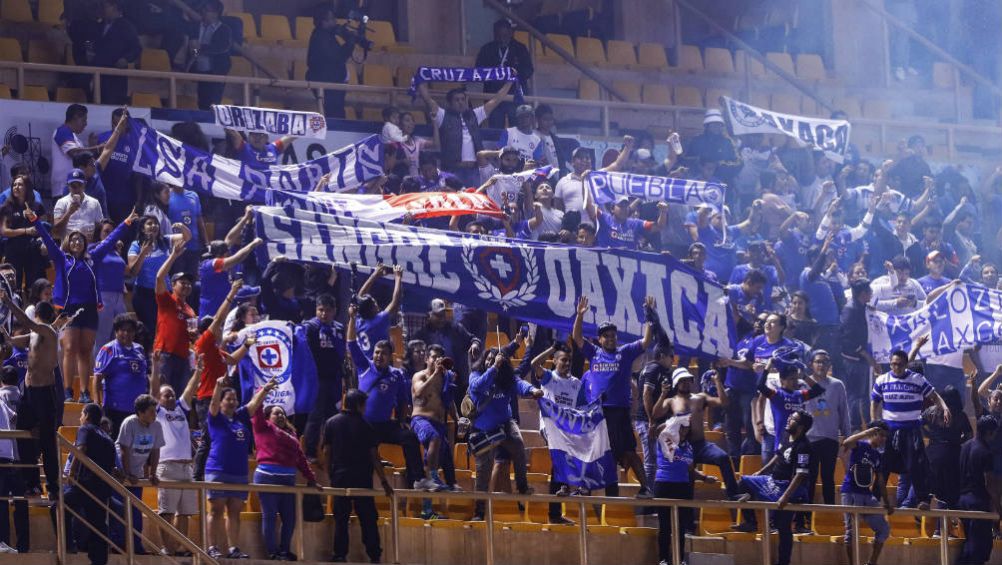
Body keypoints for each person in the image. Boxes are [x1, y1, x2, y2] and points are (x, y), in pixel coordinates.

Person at [31, 205, 135, 403]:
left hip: (88, 308)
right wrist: (35, 220)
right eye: (73, 239)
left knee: (86, 351)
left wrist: (127, 222)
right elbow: (46, 237)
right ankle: (68, 391)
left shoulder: (93, 258)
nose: (77, 241)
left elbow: (110, 239)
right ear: (69, 244)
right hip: (68, 309)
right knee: (69, 348)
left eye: (80, 239)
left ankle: (86, 392)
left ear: (85, 243)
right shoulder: (62, 259)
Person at [572, 295, 656, 499]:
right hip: (599, 412)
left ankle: (646, 488)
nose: (610, 338)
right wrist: (580, 316)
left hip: (619, 411)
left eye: (613, 335)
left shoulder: (624, 352)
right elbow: (577, 338)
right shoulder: (593, 353)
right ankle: (586, 488)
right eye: (606, 336)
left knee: (628, 450)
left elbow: (646, 341)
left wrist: (649, 315)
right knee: (596, 450)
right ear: (600, 339)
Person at [347, 303, 436, 491]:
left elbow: (403, 400)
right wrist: (352, 318)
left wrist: (402, 420)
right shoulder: (365, 366)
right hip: (364, 425)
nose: (379, 356)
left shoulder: (397, 375)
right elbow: (351, 343)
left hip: (384, 425)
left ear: (390, 357)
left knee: (410, 437)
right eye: (377, 353)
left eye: (383, 354)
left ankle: (418, 479)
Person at [467, 347, 544, 520]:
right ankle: (479, 513)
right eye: (488, 359)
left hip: (504, 424)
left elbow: (519, 384)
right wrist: (493, 368)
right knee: (482, 474)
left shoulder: (507, 378)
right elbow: (477, 387)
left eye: (495, 359)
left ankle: (522, 487)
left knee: (518, 445)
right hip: (483, 430)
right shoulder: (475, 375)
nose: (490, 361)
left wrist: (532, 391)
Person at [205, 375, 275, 560]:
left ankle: (233, 548)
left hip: (239, 473)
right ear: (221, 402)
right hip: (217, 470)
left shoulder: (241, 417)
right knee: (216, 510)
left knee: (235, 512)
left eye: (234, 399)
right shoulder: (215, 418)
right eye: (228, 399)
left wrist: (265, 389)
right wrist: (218, 387)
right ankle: (212, 547)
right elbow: (212, 404)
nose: (232, 402)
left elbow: (253, 404)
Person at [871, 349, 951, 509]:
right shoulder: (882, 380)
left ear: (906, 364)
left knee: (916, 465)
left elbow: (934, 396)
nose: (896, 367)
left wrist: (944, 407)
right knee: (883, 465)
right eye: (893, 364)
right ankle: (874, 497)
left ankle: (922, 500)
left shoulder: (917, 379)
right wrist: (874, 423)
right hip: (888, 431)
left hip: (911, 430)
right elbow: (874, 402)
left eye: (899, 364)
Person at [322, 389, 394, 563]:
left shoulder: (331, 423)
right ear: (359, 405)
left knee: (341, 519)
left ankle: (340, 555)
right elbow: (374, 457)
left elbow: (326, 451)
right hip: (362, 479)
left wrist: (330, 474)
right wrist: (384, 482)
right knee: (368, 519)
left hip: (339, 477)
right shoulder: (366, 426)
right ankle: (374, 555)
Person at [735, 410, 815, 565]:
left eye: (793, 419)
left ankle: (783, 562)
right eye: (790, 416)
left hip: (789, 488)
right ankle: (750, 522)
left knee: (783, 527)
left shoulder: (804, 447)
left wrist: (785, 497)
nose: (789, 419)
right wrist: (761, 471)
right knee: (743, 482)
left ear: (801, 427)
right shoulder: (787, 437)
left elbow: (800, 475)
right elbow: (778, 456)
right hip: (772, 481)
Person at [4, 292, 61, 499]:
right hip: (28, 393)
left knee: (47, 442)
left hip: (44, 393)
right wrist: (7, 336)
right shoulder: (35, 334)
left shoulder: (47, 330)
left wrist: (8, 302)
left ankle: (53, 487)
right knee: (22, 433)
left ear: (38, 313)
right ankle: (33, 483)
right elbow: (16, 340)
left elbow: (26, 322)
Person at [651, 367, 738, 501]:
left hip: (700, 445)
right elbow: (655, 414)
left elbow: (724, 403)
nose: (685, 383)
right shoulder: (671, 401)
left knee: (723, 457)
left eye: (688, 380)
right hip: (682, 449)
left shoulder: (700, 397)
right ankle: (686, 518)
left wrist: (717, 382)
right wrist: (663, 394)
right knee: (687, 489)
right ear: (676, 383)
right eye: (682, 381)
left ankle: (733, 494)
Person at [251, 403, 319, 561]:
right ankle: (272, 552)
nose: (280, 416)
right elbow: (256, 410)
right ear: (268, 417)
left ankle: (284, 550)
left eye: (282, 413)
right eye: (276, 413)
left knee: (290, 518)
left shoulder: (292, 434)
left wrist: (311, 478)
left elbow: (301, 458)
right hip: (267, 477)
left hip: (288, 480)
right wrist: (264, 390)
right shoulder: (263, 427)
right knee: (270, 516)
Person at [150, 351, 200, 557]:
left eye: (171, 394)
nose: (170, 397)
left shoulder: (180, 408)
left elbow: (189, 389)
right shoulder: (158, 413)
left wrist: (199, 371)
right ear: (159, 400)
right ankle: (167, 548)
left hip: (186, 466)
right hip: (167, 465)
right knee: (167, 512)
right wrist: (155, 366)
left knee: (185, 513)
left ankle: (182, 547)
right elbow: (153, 389)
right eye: (166, 395)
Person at [417, 81, 513, 187]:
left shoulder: (475, 115)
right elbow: (428, 100)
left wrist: (509, 82)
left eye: (463, 99)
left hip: (474, 170)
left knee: (474, 201)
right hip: (453, 171)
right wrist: (419, 80)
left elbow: (496, 100)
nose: (461, 102)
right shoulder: (443, 116)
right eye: (457, 100)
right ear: (450, 103)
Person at [653, 414, 715, 565]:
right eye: (682, 428)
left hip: (682, 486)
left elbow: (689, 468)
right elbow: (659, 429)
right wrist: (675, 421)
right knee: (665, 526)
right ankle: (663, 559)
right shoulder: (664, 437)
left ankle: (679, 559)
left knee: (680, 527)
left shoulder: (688, 446)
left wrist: (705, 478)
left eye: (687, 429)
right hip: (665, 485)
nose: (684, 432)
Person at [65, 403, 117, 565]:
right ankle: (99, 561)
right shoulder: (107, 437)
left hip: (84, 485)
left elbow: (80, 450)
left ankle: (68, 543)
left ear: (86, 415)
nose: (80, 417)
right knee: (98, 526)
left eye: (81, 414)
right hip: (102, 489)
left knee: (58, 506)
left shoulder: (85, 429)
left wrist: (71, 474)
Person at [114, 394, 165, 554]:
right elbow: (124, 450)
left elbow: (156, 451)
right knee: (119, 510)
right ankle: (118, 545)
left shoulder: (156, 426)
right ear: (140, 412)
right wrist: (127, 474)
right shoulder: (129, 423)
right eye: (151, 411)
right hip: (120, 470)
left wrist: (152, 473)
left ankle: (136, 546)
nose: (154, 414)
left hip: (137, 471)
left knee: (136, 511)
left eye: (155, 411)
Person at [840, 421, 893, 565]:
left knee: (883, 529)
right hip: (850, 491)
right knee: (851, 532)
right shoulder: (860, 445)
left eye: (885, 437)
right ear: (873, 433)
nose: (883, 439)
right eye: (881, 435)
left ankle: (871, 563)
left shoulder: (877, 455)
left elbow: (880, 481)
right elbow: (846, 442)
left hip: (866, 494)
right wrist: (865, 433)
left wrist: (887, 503)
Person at [804, 350, 851, 511]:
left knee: (828, 478)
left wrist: (847, 436)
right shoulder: (803, 383)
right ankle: (807, 516)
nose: (821, 365)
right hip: (808, 439)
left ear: (829, 365)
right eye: (818, 362)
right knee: (808, 478)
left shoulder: (837, 385)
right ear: (811, 364)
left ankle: (829, 512)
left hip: (829, 439)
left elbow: (844, 411)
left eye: (824, 362)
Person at [302, 294, 347, 460]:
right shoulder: (310, 327)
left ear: (334, 311)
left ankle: (330, 450)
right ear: (316, 310)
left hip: (334, 378)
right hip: (317, 378)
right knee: (315, 415)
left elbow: (342, 351)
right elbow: (305, 352)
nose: (324, 314)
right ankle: (310, 452)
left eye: (328, 310)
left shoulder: (339, 328)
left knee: (332, 416)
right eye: (321, 310)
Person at [410, 344, 460, 496]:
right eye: (433, 357)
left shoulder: (445, 379)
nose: (437, 361)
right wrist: (435, 374)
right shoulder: (420, 376)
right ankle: (432, 478)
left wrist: (458, 420)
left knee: (444, 451)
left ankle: (428, 507)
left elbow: (449, 402)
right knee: (435, 438)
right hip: (421, 420)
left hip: (439, 423)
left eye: (440, 358)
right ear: (426, 359)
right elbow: (418, 393)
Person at [128, 217, 189, 332]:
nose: (154, 226)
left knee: (166, 327)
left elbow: (187, 237)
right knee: (149, 330)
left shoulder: (165, 240)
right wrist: (143, 252)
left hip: (164, 292)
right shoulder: (136, 245)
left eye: (156, 223)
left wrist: (182, 226)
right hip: (144, 294)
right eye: (149, 224)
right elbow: (133, 272)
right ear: (142, 228)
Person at [92, 314, 149, 436]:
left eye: (130, 331)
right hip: (115, 410)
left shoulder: (140, 350)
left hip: (137, 410)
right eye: (123, 330)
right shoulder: (108, 350)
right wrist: (98, 405)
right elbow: (97, 378)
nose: (126, 334)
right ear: (116, 331)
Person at [153, 238, 196, 394]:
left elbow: (192, 336)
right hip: (165, 355)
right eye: (182, 282)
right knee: (161, 395)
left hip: (183, 357)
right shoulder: (167, 300)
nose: (186, 285)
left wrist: (194, 336)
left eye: (189, 283)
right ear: (173, 285)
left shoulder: (190, 310)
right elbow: (158, 278)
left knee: (178, 399)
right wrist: (173, 256)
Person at [957, 415, 1000, 565]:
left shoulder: (965, 447)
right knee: (978, 549)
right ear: (989, 432)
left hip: (962, 500)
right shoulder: (986, 452)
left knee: (969, 545)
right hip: (977, 502)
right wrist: (998, 508)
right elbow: (989, 484)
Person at [475, 18, 533, 128]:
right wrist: (493, 73)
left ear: (511, 33)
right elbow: (478, 70)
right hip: (493, 95)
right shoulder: (487, 49)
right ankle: (497, 146)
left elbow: (529, 70)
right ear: (494, 34)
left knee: (517, 128)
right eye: (499, 36)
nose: (502, 39)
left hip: (515, 95)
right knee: (496, 128)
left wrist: (513, 75)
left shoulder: (520, 49)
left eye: (505, 36)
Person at [306, 6, 360, 118]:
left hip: (334, 83)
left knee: (336, 112)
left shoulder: (326, 35)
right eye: (332, 19)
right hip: (328, 84)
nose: (335, 22)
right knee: (334, 114)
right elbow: (337, 57)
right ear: (323, 21)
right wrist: (350, 42)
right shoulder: (320, 37)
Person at [840, 279, 880, 429]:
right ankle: (854, 426)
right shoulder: (850, 309)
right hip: (853, 359)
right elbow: (847, 337)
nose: (871, 293)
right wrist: (865, 354)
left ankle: (868, 424)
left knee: (863, 394)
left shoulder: (861, 307)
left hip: (860, 359)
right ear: (863, 293)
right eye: (869, 290)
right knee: (855, 395)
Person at [197, 235, 262, 319]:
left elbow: (229, 238)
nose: (229, 255)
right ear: (223, 254)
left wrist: (243, 221)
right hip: (211, 315)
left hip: (223, 315)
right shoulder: (211, 264)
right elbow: (237, 258)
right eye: (227, 254)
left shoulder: (214, 264)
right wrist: (253, 244)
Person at [0, 175, 46, 293]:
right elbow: (4, 231)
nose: (16, 187)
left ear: (27, 187)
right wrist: (26, 231)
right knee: (15, 286)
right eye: (14, 185)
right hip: (14, 250)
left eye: (20, 184)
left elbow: (45, 227)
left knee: (33, 286)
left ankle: (32, 310)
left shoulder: (37, 206)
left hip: (32, 250)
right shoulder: (6, 207)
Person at [90, 0, 140, 105]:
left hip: (116, 76)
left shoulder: (127, 26)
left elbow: (136, 48)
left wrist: (126, 59)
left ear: (114, 7)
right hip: (99, 72)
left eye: (105, 6)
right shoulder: (99, 26)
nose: (103, 9)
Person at [51, 104, 102, 201]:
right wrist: (97, 147)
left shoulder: (75, 138)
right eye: (83, 120)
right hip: (63, 189)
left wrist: (92, 147)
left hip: (74, 187)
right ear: (75, 118)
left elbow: (84, 159)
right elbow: (75, 153)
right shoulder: (62, 131)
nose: (85, 124)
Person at [0, 366, 26, 554]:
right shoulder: (22, 397)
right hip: (15, 457)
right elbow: (15, 417)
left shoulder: (1, 399)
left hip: (3, 456)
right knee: (19, 503)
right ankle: (21, 546)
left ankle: (3, 541)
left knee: (1, 502)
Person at [188, 0, 232, 110]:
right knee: (202, 101)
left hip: (216, 72)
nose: (204, 12)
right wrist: (195, 51)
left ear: (216, 13)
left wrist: (201, 47)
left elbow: (222, 47)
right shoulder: (196, 27)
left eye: (207, 10)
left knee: (213, 102)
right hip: (201, 70)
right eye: (203, 10)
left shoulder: (224, 29)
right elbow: (194, 49)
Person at [354, 264, 404, 356]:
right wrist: (398, 277)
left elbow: (360, 297)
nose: (377, 305)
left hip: (364, 361)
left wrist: (375, 274)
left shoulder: (358, 320)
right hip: (377, 363)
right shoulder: (378, 321)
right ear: (371, 309)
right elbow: (395, 301)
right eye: (374, 304)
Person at [167, 183, 209, 280]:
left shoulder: (194, 195)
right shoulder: (167, 195)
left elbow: (199, 219)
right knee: (178, 279)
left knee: (192, 279)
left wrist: (206, 242)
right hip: (177, 247)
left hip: (194, 245)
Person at [52, 169, 104, 242]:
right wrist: (69, 212)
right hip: (68, 246)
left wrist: (93, 237)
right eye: (73, 186)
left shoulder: (94, 203)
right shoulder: (61, 202)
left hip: (88, 245)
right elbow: (56, 229)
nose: (76, 189)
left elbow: (100, 226)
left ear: (85, 184)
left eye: (79, 185)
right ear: (68, 186)